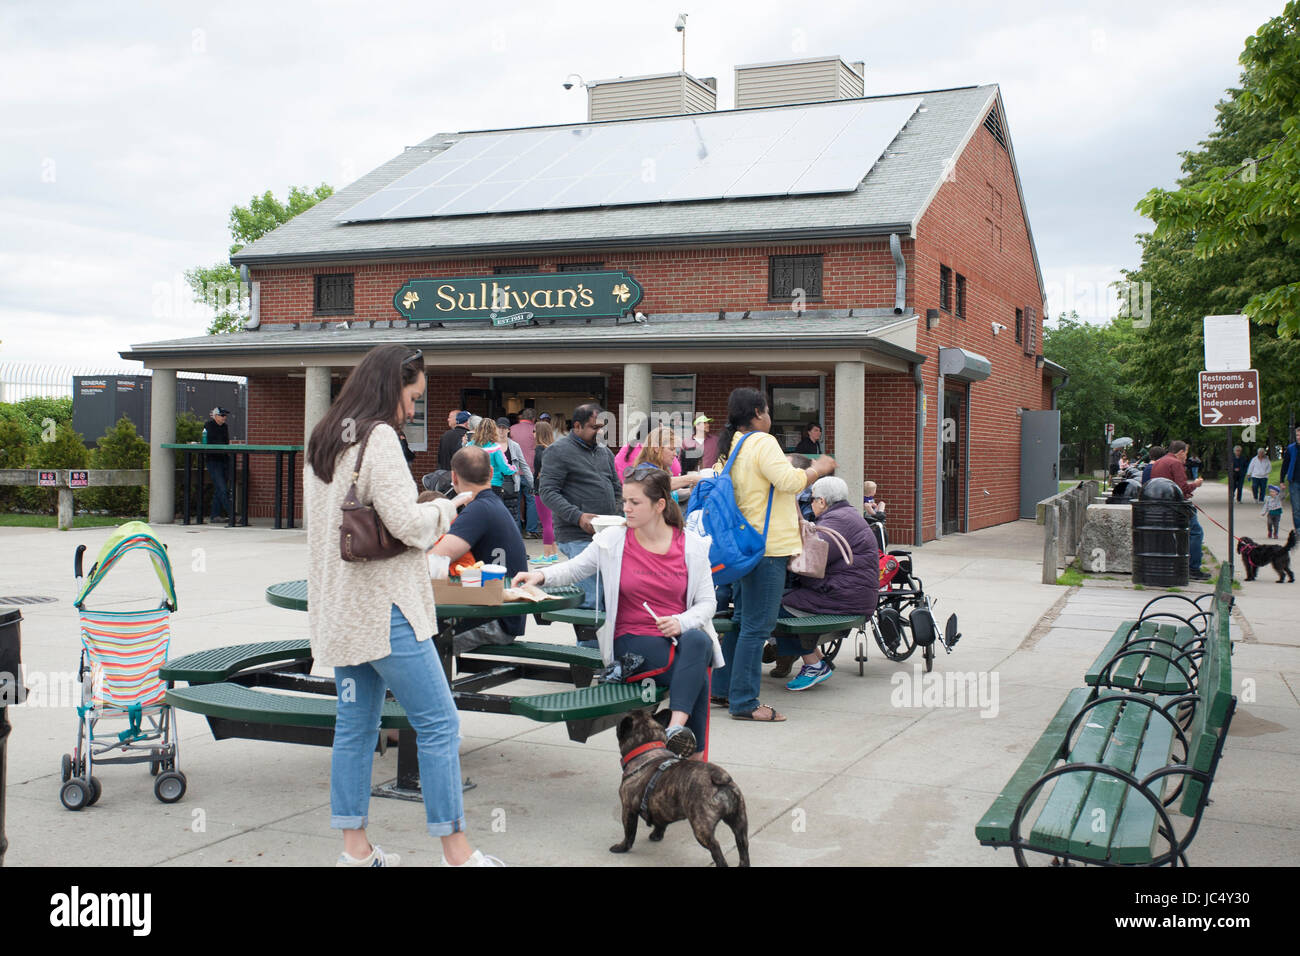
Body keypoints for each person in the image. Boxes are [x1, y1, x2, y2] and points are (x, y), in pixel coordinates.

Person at [304, 344, 501, 867]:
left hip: (342, 610)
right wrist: (444, 506)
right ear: (392, 386)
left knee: (354, 729)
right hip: (387, 608)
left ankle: (356, 851)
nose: (412, 410)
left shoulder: (325, 438)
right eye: (413, 397)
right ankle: (457, 854)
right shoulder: (380, 436)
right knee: (439, 723)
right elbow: (408, 526)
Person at [513, 466, 722, 759]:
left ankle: (675, 729)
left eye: (634, 503)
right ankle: (692, 758)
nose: (626, 508)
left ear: (660, 504)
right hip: (631, 643)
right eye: (624, 501)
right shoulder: (613, 540)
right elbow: (575, 568)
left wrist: (680, 621)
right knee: (697, 669)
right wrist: (541, 576)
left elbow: (707, 603)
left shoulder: (692, 546)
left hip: (676, 639)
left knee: (699, 643)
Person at [709, 387, 836, 722]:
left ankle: (723, 690)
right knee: (756, 627)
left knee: (739, 623)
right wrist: (819, 468)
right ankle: (745, 702)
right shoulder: (762, 441)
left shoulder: (735, 444)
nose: (770, 416)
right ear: (757, 413)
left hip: (744, 546)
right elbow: (790, 480)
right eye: (766, 410)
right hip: (768, 548)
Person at [771, 476, 880, 689]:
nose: (810, 503)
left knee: (772, 607)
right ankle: (815, 658)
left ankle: (813, 665)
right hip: (848, 593)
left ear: (822, 501)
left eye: (812, 499)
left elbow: (812, 560)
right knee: (780, 600)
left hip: (842, 596)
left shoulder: (836, 521)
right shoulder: (846, 515)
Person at [428, 446, 529, 653]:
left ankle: (432, 686)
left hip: (495, 619)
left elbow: (435, 558)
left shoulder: (478, 510)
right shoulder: (491, 504)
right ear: (491, 473)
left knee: (414, 642)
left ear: (454, 477)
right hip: (503, 613)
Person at [537, 402, 621, 612]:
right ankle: (587, 645)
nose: (600, 432)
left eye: (602, 427)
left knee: (610, 599)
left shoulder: (605, 453)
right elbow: (547, 492)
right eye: (595, 427)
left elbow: (616, 488)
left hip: (609, 534)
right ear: (577, 426)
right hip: (577, 535)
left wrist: (619, 514)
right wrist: (578, 516)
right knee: (591, 600)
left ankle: (604, 644)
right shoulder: (557, 451)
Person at [1149, 440, 1208, 581]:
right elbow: (1182, 488)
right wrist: (1196, 484)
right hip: (1177, 505)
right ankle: (1193, 568)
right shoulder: (1176, 463)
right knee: (1196, 532)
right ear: (1181, 452)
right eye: (1186, 454)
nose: (1186, 457)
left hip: (1160, 505)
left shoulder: (1159, 462)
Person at [625, 426, 699, 501]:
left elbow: (671, 493)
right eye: (671, 449)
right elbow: (661, 484)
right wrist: (692, 478)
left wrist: (690, 491)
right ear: (656, 448)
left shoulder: (661, 468)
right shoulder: (642, 470)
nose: (675, 454)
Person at [467, 416, 516, 505]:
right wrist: (514, 468)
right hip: (493, 485)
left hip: (473, 485)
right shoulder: (495, 448)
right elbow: (505, 468)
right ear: (493, 431)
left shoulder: (469, 446)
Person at [496, 417, 533, 530]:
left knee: (512, 515)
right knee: (496, 514)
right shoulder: (490, 445)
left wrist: (532, 484)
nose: (501, 430)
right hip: (494, 484)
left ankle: (514, 539)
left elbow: (523, 465)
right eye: (499, 427)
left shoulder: (514, 446)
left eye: (504, 428)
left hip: (511, 484)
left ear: (508, 430)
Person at [531, 420, 560, 564]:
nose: (533, 434)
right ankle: (553, 553)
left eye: (534, 431)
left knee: (546, 523)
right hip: (553, 488)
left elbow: (538, 470)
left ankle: (547, 555)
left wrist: (539, 474)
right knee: (551, 522)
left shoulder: (539, 450)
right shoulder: (553, 448)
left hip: (541, 488)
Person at [509, 409, 541, 538]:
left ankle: (515, 530)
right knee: (532, 500)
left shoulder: (511, 429)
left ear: (520, 417)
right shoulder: (536, 430)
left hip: (513, 470)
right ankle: (531, 530)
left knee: (514, 502)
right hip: (531, 471)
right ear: (533, 418)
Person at [201, 407, 232, 522]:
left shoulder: (225, 427)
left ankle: (215, 515)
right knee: (222, 488)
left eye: (225, 415)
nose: (224, 417)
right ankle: (232, 513)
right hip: (213, 460)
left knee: (220, 488)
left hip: (224, 459)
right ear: (215, 416)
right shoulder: (208, 425)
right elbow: (209, 442)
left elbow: (226, 442)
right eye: (222, 415)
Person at [1282, 426, 1300, 532]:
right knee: (1296, 507)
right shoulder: (1291, 448)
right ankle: (1298, 529)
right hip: (1294, 481)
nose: (1299, 437)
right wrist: (1281, 480)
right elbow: (1285, 465)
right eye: (1297, 435)